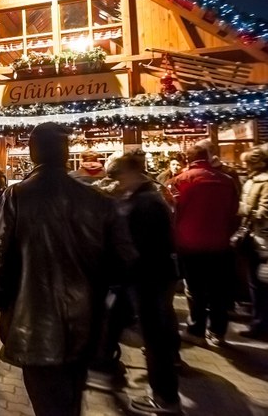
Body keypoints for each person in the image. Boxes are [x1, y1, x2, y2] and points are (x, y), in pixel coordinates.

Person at [0, 122, 136, 416]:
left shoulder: (14, 198)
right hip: (85, 322)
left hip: (34, 322)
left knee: (48, 403)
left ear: (32, 151)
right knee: (72, 400)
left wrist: (9, 304)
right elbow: (125, 263)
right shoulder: (99, 200)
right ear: (66, 153)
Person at [109, 154, 182, 415]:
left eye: (119, 178)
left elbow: (137, 246)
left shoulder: (145, 202)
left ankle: (165, 397)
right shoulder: (149, 196)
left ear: (129, 173)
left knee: (155, 335)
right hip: (152, 275)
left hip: (149, 277)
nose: (118, 183)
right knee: (151, 330)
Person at [169, 144, 239, 347]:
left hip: (189, 243)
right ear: (209, 157)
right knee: (218, 289)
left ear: (187, 159)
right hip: (220, 243)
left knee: (195, 288)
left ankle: (196, 329)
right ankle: (217, 332)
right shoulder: (227, 180)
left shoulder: (179, 180)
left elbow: (172, 212)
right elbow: (234, 210)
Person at [237, 148, 268, 339]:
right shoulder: (252, 180)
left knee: (260, 283)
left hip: (261, 238)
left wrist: (246, 209)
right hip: (256, 237)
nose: (244, 166)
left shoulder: (261, 182)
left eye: (247, 163)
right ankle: (259, 320)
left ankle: (261, 323)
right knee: (256, 283)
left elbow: (264, 211)